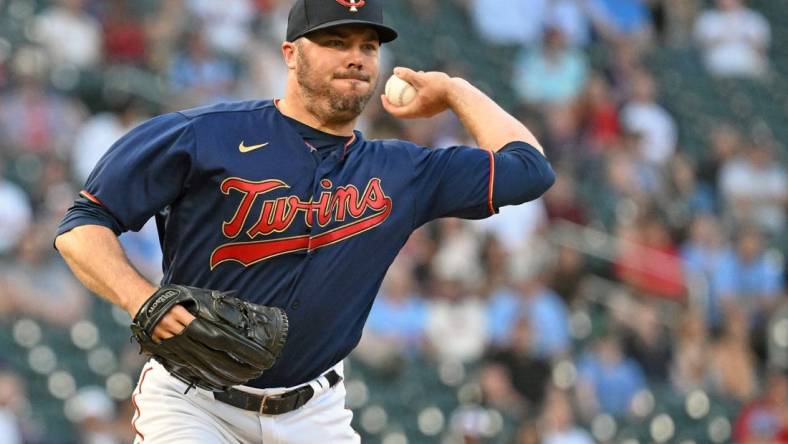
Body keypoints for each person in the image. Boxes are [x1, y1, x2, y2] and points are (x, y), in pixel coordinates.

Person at [53, 0, 555, 442]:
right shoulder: (205, 136)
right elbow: (82, 225)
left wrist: (454, 91)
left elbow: (530, 170)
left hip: (314, 412)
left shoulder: (404, 171)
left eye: (368, 45)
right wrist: (140, 298)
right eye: (335, 41)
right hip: (194, 403)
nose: (356, 57)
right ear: (291, 54)